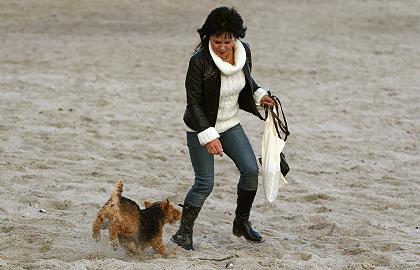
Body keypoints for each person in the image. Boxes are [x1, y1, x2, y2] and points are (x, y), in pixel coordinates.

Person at [171, 6, 274, 250]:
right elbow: (193, 104)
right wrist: (208, 137)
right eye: (218, 41)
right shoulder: (198, 62)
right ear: (208, 37)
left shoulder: (243, 51)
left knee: (250, 170)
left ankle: (241, 222)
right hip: (200, 127)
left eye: (228, 41)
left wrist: (260, 96)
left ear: (236, 38)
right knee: (205, 183)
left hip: (230, 124)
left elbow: (246, 80)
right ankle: (183, 233)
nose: (223, 47)